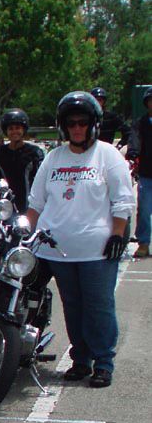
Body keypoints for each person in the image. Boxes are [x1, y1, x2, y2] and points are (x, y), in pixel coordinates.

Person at [26, 91, 134, 388]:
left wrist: (118, 232)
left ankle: (103, 362)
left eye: (82, 122)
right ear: (63, 126)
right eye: (71, 123)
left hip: (96, 250)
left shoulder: (107, 155)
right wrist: (23, 232)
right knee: (72, 306)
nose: (77, 128)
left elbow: (123, 199)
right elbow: (36, 203)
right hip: (58, 250)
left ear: (93, 124)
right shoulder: (54, 158)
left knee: (98, 306)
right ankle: (81, 359)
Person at [0, 107, 44, 212]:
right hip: (5, 209)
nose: (14, 131)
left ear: (23, 129)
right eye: (11, 129)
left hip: (30, 208)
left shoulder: (34, 153)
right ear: (6, 131)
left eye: (17, 128)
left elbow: (41, 182)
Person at [128, 85, 152, 257]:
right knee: (144, 209)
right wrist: (133, 153)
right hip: (146, 172)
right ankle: (143, 243)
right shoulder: (141, 123)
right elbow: (134, 140)